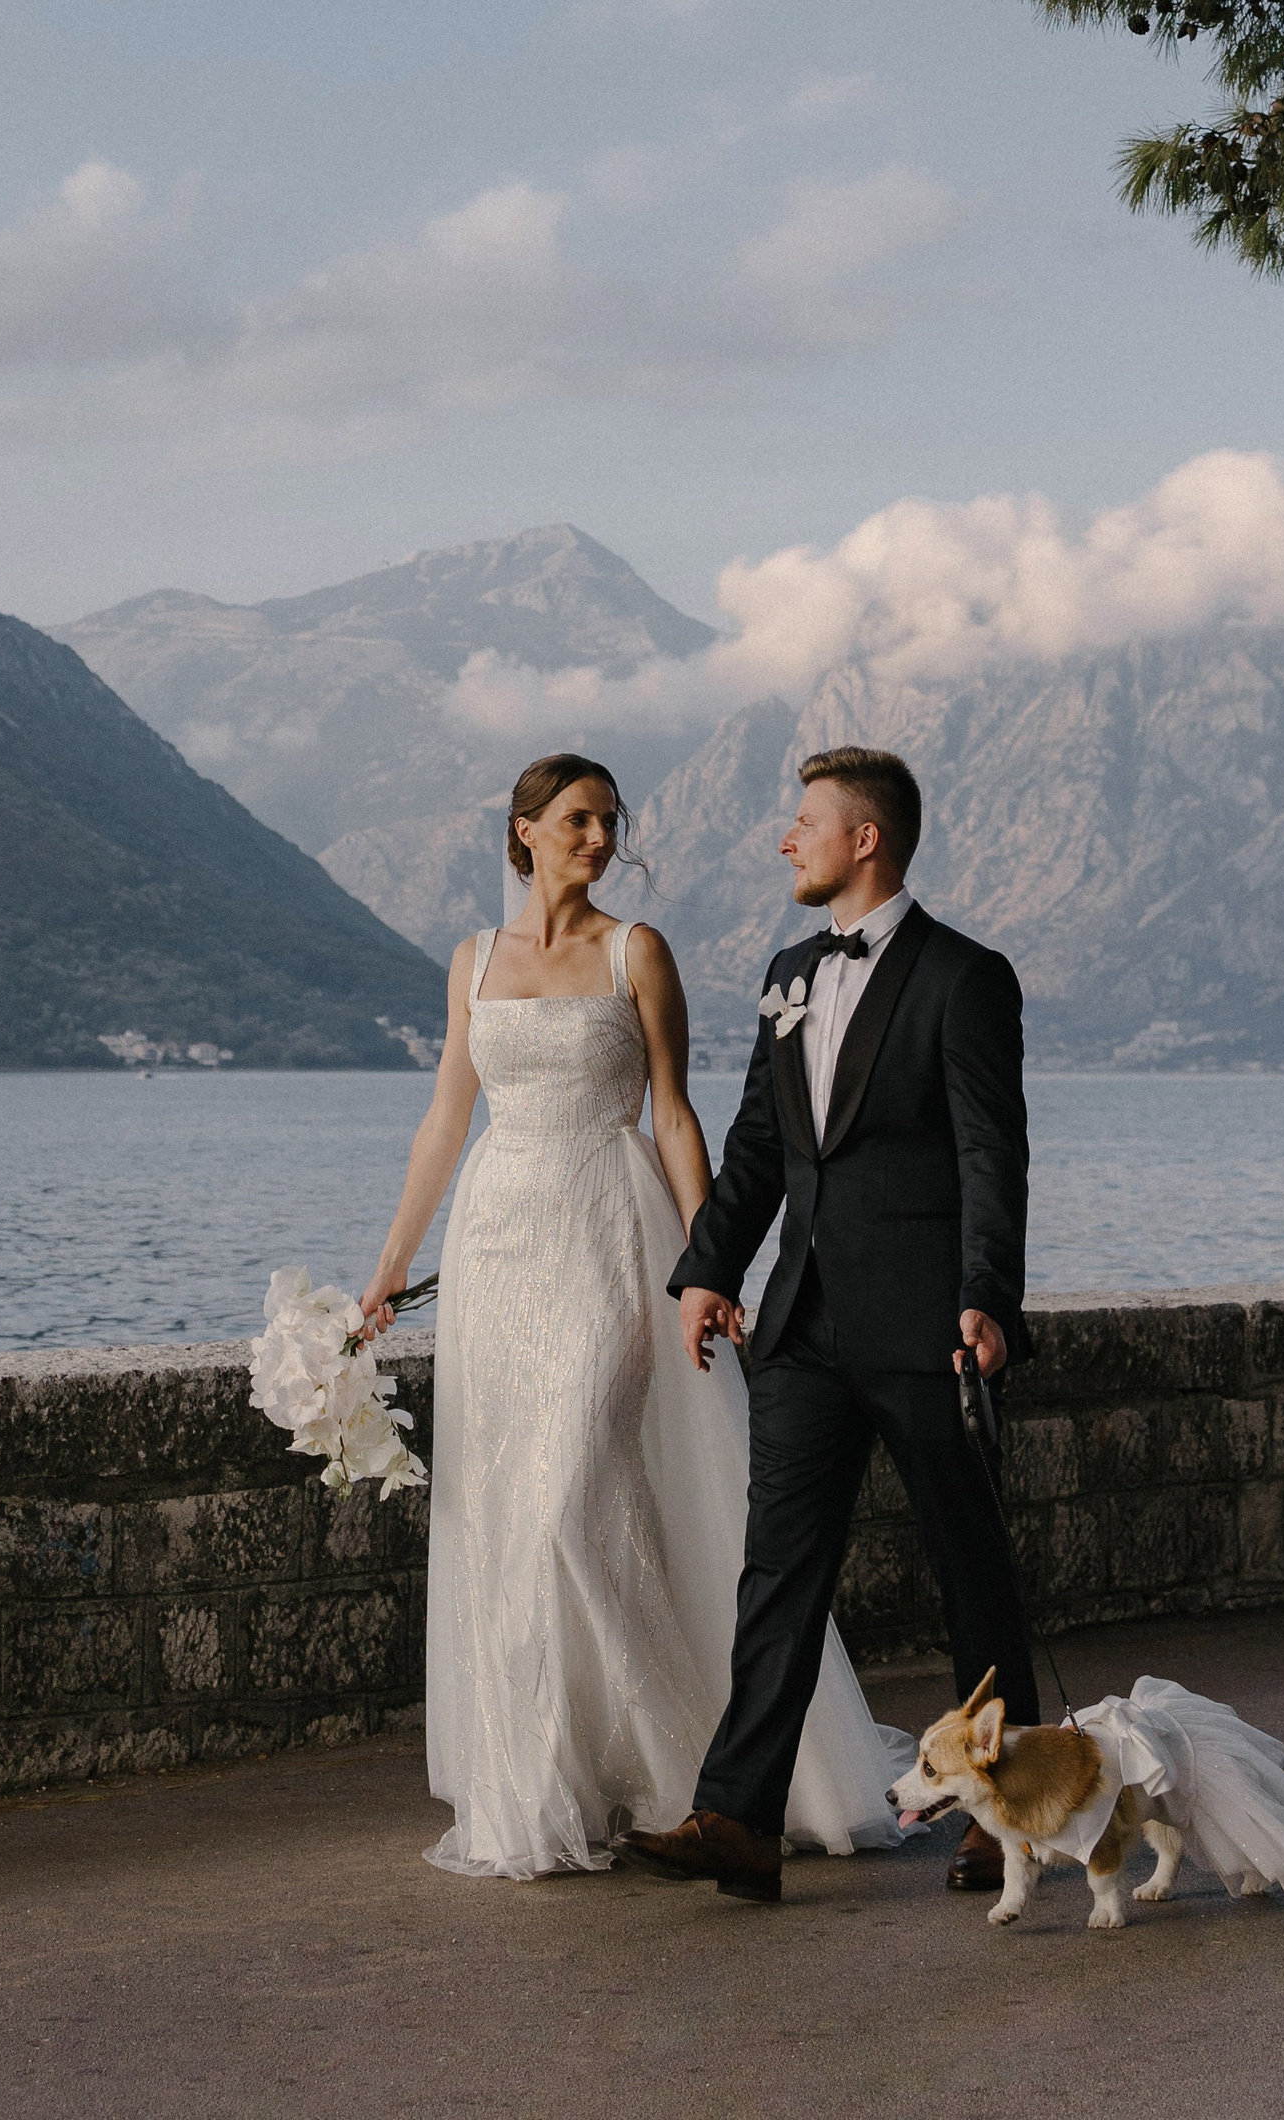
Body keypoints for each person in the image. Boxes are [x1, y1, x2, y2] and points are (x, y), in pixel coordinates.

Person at [360, 752, 908, 1880]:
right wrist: (389, 1271)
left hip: (610, 1234)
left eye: (609, 821)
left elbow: (673, 1115)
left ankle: (698, 1773)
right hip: (497, 1246)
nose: (600, 839)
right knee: (509, 1513)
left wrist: (710, 1261)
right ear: (524, 830)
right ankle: (554, 1778)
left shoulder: (635, 950)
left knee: (572, 1495)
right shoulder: (472, 960)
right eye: (577, 819)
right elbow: (446, 1117)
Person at [623, 744, 1040, 1906]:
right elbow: (759, 1145)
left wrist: (987, 1296)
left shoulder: (965, 976)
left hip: (927, 1325)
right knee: (777, 1572)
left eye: (803, 820)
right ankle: (737, 1818)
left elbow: (990, 1152)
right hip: (800, 1325)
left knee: (969, 1568)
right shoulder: (789, 970)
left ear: (865, 838)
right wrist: (708, 1269)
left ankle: (1001, 1810)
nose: (784, 838)